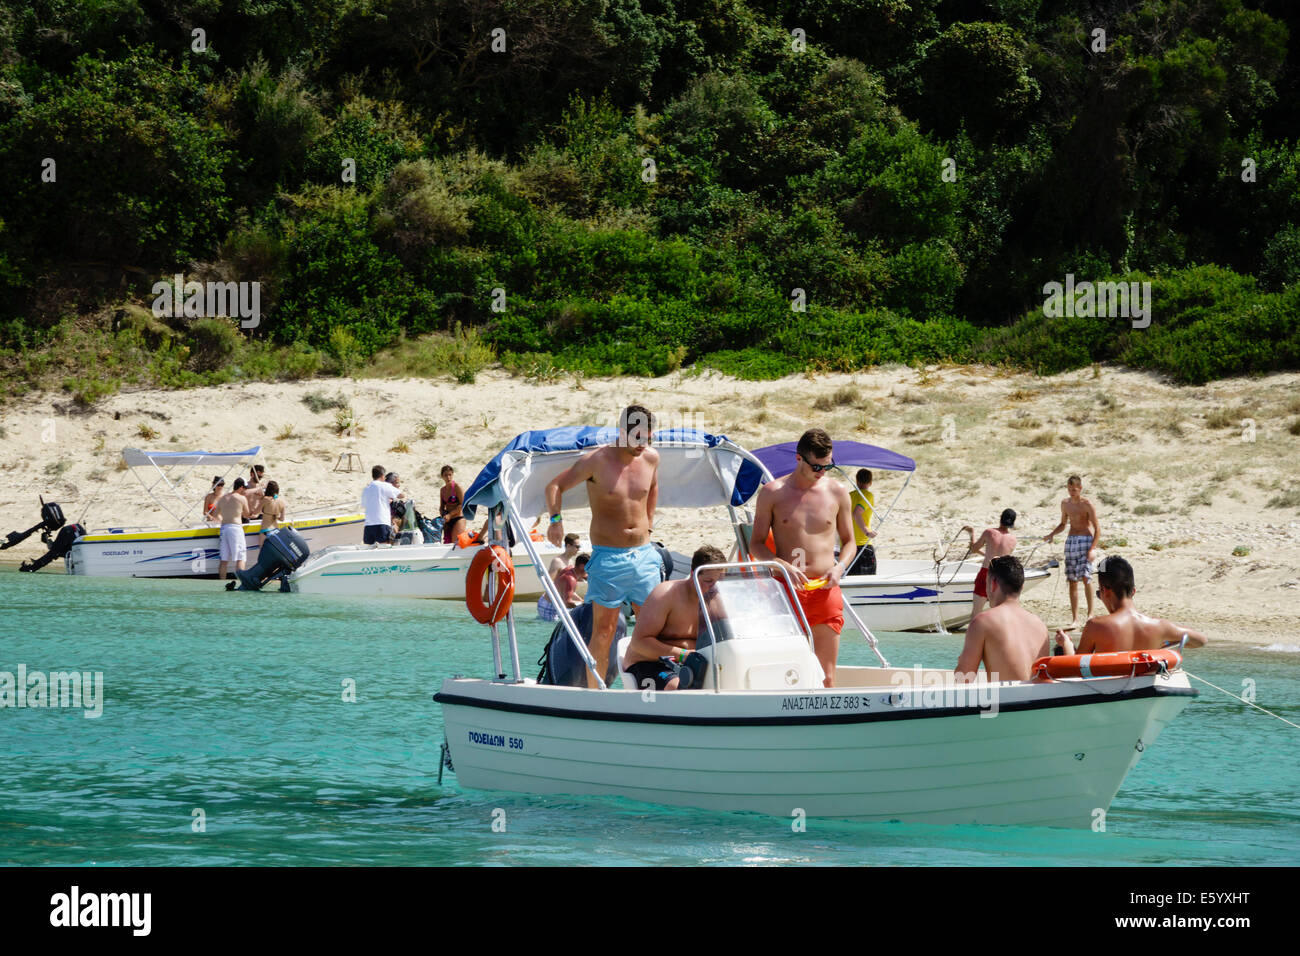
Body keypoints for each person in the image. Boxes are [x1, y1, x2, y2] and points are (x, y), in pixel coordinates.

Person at [545, 404, 661, 689]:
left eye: (647, 438)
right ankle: (597, 695)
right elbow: (554, 486)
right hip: (609, 558)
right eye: (637, 438)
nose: (642, 445)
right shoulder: (596, 461)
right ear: (622, 432)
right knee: (604, 631)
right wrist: (556, 521)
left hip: (645, 556)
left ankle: (652, 689)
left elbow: (652, 488)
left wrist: (650, 522)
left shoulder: (651, 458)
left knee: (652, 630)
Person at [750, 428, 856, 687]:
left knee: (827, 677)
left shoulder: (837, 491)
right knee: (788, 675)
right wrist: (782, 565)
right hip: (787, 591)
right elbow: (756, 544)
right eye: (817, 466)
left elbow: (850, 542)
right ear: (799, 459)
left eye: (828, 466)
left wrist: (840, 567)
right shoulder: (773, 493)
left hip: (825, 589)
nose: (822, 472)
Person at [1055, 556, 1208, 655]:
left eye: (1098, 593)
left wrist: (1066, 644)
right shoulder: (1160, 626)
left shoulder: (1096, 626)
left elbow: (1076, 668)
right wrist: (1164, 643)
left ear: (1104, 591)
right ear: (1133, 591)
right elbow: (1201, 640)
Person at [623, 545, 727, 691]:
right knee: (677, 686)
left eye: (720, 581)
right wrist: (682, 654)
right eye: (709, 581)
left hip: (694, 664)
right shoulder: (666, 595)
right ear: (693, 574)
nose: (714, 587)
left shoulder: (719, 600)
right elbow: (639, 643)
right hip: (649, 663)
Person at [954, 555, 1049, 683]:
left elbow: (964, 679)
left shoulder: (983, 621)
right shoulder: (1039, 624)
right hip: (1040, 700)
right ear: (1021, 586)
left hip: (1006, 701)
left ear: (993, 584)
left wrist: (961, 662)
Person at [1044, 475, 1101, 628]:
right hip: (1071, 541)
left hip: (1085, 540)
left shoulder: (1087, 504)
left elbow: (1097, 528)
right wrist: (1051, 534)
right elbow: (1063, 524)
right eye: (1070, 489)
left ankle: (1090, 614)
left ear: (1080, 488)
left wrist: (1092, 548)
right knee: (1072, 580)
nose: (1072, 492)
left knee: (1086, 577)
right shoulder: (1065, 504)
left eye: (1074, 489)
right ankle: (1075, 619)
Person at [962, 508, 1018, 619]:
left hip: (986, 573)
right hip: (1001, 576)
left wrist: (971, 533)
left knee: (976, 613)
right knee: (998, 614)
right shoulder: (1013, 540)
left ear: (1001, 518)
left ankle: (974, 635)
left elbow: (973, 549)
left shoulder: (989, 532)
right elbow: (1001, 558)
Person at [537, 533, 581, 620]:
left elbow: (568, 589)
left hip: (558, 604)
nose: (578, 549)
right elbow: (548, 583)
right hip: (549, 604)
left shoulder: (571, 562)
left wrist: (581, 600)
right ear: (568, 546)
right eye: (577, 546)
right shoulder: (557, 561)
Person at [215, 477, 252, 581]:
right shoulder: (241, 498)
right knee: (241, 557)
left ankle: (222, 582)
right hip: (235, 528)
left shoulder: (223, 498)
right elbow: (247, 514)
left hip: (224, 528)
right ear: (240, 487)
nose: (245, 490)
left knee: (224, 559)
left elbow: (216, 515)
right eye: (244, 488)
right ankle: (241, 582)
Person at [845, 468, 878, 576]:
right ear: (870, 483)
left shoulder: (849, 495)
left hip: (847, 545)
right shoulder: (868, 495)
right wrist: (867, 531)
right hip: (862, 545)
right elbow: (856, 513)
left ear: (857, 481)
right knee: (868, 580)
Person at [361, 464, 403, 546]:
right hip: (381, 522)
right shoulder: (384, 485)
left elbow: (365, 504)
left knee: (369, 549)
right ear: (382, 475)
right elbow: (401, 495)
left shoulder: (366, 489)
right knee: (384, 547)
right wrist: (390, 499)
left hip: (368, 524)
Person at [439, 466, 467, 544]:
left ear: (452, 475)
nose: (448, 477)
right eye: (445, 475)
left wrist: (450, 515)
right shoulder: (442, 490)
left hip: (458, 518)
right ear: (442, 476)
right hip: (447, 520)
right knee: (447, 543)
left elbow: (463, 504)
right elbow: (442, 506)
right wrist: (442, 513)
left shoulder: (457, 487)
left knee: (456, 544)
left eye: (450, 475)